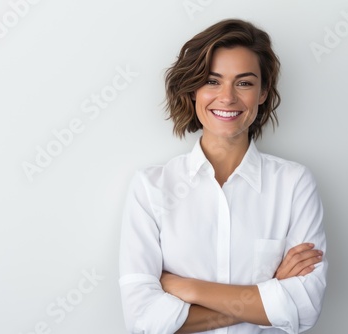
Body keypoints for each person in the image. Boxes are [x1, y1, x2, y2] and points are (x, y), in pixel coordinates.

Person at [119, 19, 327, 333]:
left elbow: (306, 306)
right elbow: (144, 322)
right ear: (192, 90)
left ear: (262, 92)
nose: (227, 97)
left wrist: (190, 288)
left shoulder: (294, 184)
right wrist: (270, 294)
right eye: (212, 81)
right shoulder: (151, 188)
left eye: (244, 83)